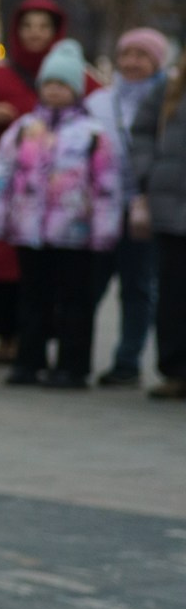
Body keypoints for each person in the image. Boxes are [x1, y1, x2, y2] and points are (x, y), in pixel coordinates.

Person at [0, 39, 122, 389]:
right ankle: (29, 360)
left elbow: (106, 184)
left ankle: (73, 366)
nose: (55, 91)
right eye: (49, 84)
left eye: (63, 85)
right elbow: (0, 176)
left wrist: (105, 227)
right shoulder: (24, 130)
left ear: (76, 90)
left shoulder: (92, 134)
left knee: (76, 300)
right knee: (32, 297)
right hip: (30, 230)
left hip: (75, 233)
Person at [0, 0, 74, 365]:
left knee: (45, 267)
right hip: (3, 186)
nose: (35, 34)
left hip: (52, 189)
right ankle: (6, 335)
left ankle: (39, 338)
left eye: (43, 27)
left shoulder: (74, 76)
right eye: (28, 26)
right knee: (0, 263)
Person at [98, 29, 171, 387]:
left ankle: (127, 360)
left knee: (138, 287)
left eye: (141, 56)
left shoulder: (170, 101)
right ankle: (72, 355)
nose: (131, 63)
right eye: (126, 54)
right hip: (100, 207)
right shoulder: (100, 101)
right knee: (88, 284)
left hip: (143, 208)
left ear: (157, 62)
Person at [134, 54, 186, 399]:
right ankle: (176, 370)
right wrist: (149, 172)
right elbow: (141, 131)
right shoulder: (170, 87)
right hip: (170, 205)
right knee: (173, 293)